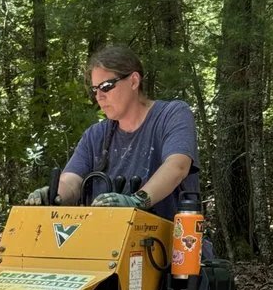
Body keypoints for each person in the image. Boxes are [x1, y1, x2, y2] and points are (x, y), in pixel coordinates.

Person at [27, 45, 200, 221]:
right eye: (95, 89)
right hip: (107, 242)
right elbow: (72, 180)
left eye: (106, 86)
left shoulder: (171, 115)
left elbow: (177, 166)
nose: (99, 96)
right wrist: (52, 194)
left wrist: (137, 201)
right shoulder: (95, 135)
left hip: (172, 243)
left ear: (133, 81)